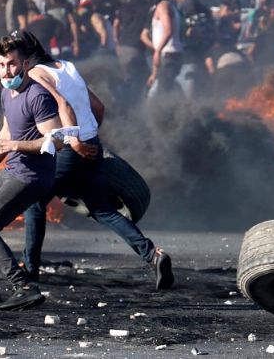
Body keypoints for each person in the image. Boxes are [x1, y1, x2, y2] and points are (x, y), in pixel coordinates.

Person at [17, 31, 174, 290]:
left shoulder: (35, 74)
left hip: (70, 147)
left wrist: (74, 141)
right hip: (92, 146)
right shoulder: (67, 67)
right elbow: (98, 107)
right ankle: (153, 255)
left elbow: (61, 104)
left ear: (24, 59)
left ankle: (30, 269)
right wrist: (89, 138)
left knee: (34, 201)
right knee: (102, 209)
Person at [0, 34, 62, 311]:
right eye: (2, 65)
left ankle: (24, 286)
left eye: (12, 64)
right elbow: (7, 130)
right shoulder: (7, 92)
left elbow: (56, 141)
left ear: (25, 63)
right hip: (11, 168)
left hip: (33, 176)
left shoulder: (38, 95)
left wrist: (15, 145)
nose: (7, 71)